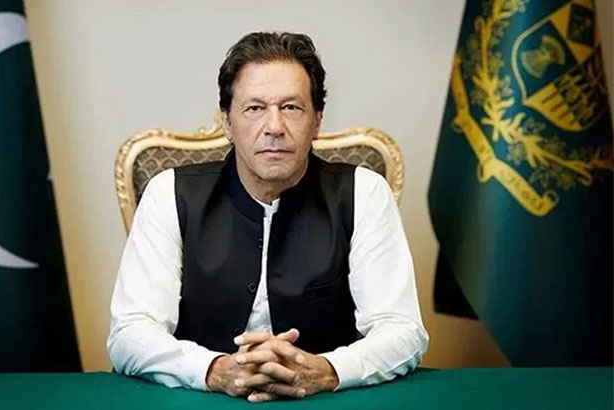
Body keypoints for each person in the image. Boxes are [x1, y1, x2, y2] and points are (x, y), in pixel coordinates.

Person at [107, 31, 428, 403]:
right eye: (254, 108)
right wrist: (215, 370)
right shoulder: (169, 193)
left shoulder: (364, 193)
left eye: (291, 107)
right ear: (227, 122)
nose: (274, 127)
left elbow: (402, 330)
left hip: (324, 400)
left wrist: (326, 370)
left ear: (317, 120)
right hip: (201, 399)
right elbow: (130, 332)